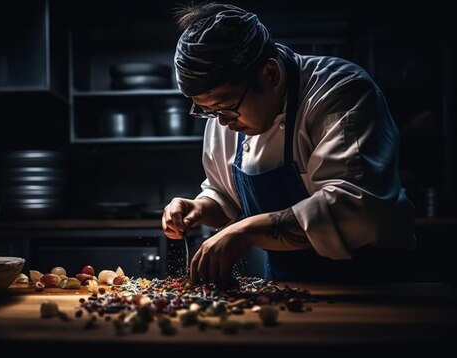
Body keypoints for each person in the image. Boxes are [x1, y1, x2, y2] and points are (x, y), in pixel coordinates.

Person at [162, 2, 416, 283]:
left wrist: (245, 232)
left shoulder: (339, 91)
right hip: (288, 285)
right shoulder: (226, 114)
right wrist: (199, 207)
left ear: (270, 74)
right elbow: (225, 195)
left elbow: (355, 208)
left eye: (226, 107)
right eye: (207, 111)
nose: (221, 121)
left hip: (371, 286)